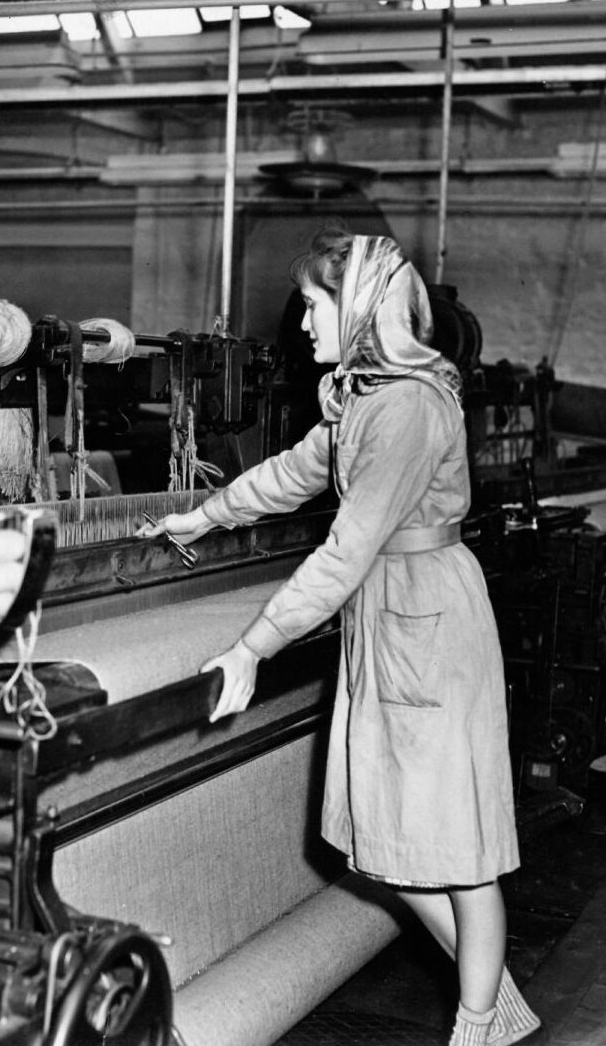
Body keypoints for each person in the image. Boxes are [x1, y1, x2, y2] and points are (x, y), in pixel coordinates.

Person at [137, 230, 539, 1046]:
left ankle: (477, 1026)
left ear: (357, 305)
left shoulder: (407, 406)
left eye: (315, 305)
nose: (304, 324)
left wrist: (253, 645)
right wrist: (204, 515)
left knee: (457, 852)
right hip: (390, 614)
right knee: (388, 843)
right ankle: (494, 998)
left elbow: (347, 548)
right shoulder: (364, 394)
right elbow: (294, 472)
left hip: (426, 618)